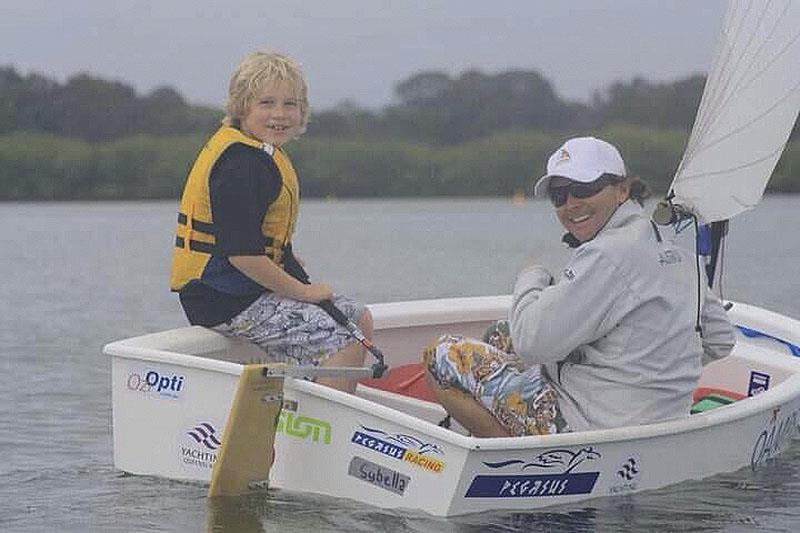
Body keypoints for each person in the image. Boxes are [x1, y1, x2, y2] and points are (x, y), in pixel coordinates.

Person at [424, 136, 736, 436]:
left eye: (584, 189)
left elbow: (531, 343)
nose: (571, 204)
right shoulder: (675, 254)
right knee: (499, 333)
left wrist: (531, 276)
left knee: (443, 355)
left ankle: (514, 460)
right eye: (560, 196)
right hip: (657, 418)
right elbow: (721, 339)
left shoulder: (607, 254)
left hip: (592, 427)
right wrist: (652, 371)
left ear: (622, 189)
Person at [170, 50, 371, 392]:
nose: (279, 114)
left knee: (359, 319)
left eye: (290, 104)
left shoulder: (260, 155)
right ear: (241, 107)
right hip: (222, 299)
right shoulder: (240, 164)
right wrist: (303, 292)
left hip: (246, 292)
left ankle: (313, 399)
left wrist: (292, 272)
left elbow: (261, 244)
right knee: (344, 342)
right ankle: (321, 433)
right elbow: (243, 255)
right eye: (267, 103)